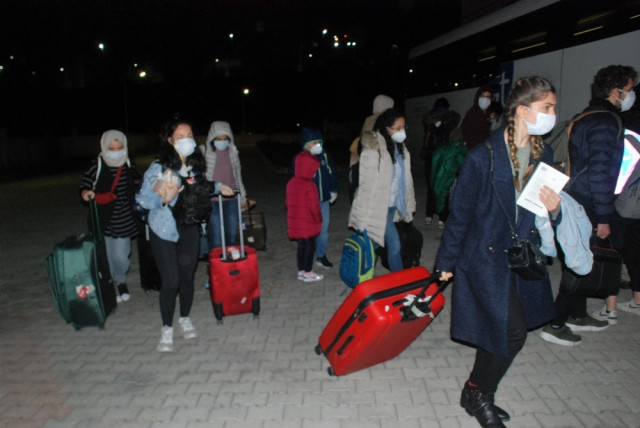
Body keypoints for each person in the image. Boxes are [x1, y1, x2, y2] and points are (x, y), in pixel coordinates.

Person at [436, 76, 560, 428]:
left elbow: (542, 209)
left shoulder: (544, 153)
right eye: (546, 108)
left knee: (500, 329)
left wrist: (554, 209)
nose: (552, 114)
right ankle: (478, 392)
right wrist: (446, 263)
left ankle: (475, 390)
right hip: (485, 257)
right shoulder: (483, 157)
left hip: (521, 257)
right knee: (511, 332)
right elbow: (459, 216)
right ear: (523, 110)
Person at [539, 65, 637, 345]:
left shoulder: (587, 116)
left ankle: (577, 314)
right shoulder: (606, 122)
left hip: (577, 196)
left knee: (583, 256)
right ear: (615, 91)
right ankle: (556, 323)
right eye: (628, 91)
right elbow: (600, 171)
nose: (631, 96)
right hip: (589, 201)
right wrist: (604, 215)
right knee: (578, 259)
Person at [137, 116, 233, 352]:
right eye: (180, 136)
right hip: (164, 229)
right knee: (171, 280)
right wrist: (163, 197)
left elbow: (201, 185)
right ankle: (167, 328)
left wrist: (220, 187)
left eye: (189, 135)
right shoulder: (159, 167)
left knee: (187, 276)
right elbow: (143, 199)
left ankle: (185, 318)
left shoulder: (194, 166)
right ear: (170, 140)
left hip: (189, 227)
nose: (186, 140)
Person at [349, 108, 416, 272]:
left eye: (403, 127)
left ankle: (359, 269)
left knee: (375, 241)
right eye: (398, 128)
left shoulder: (401, 149)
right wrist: (362, 218)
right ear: (386, 128)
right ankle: (399, 281)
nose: (402, 131)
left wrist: (408, 204)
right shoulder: (374, 149)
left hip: (394, 204)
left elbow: (406, 180)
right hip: (379, 206)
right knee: (394, 244)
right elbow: (365, 185)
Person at [80, 130, 140, 303]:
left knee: (121, 256)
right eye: (112, 148)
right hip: (104, 218)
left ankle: (119, 277)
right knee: (106, 255)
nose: (116, 151)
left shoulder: (128, 163)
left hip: (125, 218)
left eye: (119, 147)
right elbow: (84, 184)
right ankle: (113, 284)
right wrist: (86, 193)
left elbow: (136, 181)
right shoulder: (97, 165)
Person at [597, 81, 640, 320]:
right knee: (636, 251)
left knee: (612, 251)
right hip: (637, 204)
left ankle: (610, 308)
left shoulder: (629, 129)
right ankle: (637, 300)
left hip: (624, 204)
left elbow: (617, 174)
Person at [292, 127, 338, 269]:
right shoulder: (299, 159)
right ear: (306, 144)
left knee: (323, 232)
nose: (317, 145)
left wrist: (334, 190)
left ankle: (321, 256)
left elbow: (332, 172)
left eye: (318, 142)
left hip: (323, 200)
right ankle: (305, 262)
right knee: (309, 233)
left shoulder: (324, 156)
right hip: (307, 203)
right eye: (313, 143)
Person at [202, 121, 247, 250]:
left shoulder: (233, 153)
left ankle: (228, 263)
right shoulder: (205, 153)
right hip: (212, 199)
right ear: (212, 138)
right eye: (218, 138)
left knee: (231, 233)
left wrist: (243, 197)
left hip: (232, 198)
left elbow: (238, 176)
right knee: (216, 235)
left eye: (225, 138)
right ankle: (216, 263)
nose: (222, 141)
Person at [420, 97, 460, 226]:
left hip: (430, 156)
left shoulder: (429, 119)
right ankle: (442, 218)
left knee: (431, 186)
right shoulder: (451, 118)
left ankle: (429, 215)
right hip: (444, 157)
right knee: (444, 186)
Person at [286, 150, 324, 282]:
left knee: (301, 246)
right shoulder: (309, 185)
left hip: (296, 223)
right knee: (309, 247)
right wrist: (319, 219)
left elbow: (287, 203)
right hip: (308, 223)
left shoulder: (291, 183)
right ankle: (308, 271)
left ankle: (301, 271)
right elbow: (314, 207)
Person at [461, 85, 493, 150]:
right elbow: (469, 136)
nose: (485, 99)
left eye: (488, 97)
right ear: (477, 97)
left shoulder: (489, 114)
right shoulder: (472, 114)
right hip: (477, 150)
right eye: (482, 96)